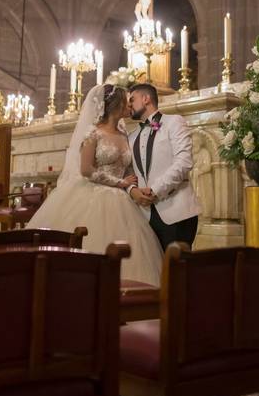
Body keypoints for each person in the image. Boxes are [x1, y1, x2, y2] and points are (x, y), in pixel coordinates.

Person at [28, 84, 163, 285]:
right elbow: (86, 170)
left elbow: (128, 168)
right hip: (93, 196)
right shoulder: (93, 133)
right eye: (126, 102)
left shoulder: (124, 134)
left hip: (123, 201)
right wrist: (120, 183)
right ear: (115, 106)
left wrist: (133, 187)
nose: (129, 106)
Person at [127, 84, 201, 250]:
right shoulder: (131, 137)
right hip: (144, 216)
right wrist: (133, 190)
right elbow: (128, 172)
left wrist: (154, 189)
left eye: (132, 99)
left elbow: (184, 162)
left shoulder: (174, 122)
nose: (129, 105)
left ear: (146, 99)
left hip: (176, 212)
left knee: (177, 271)